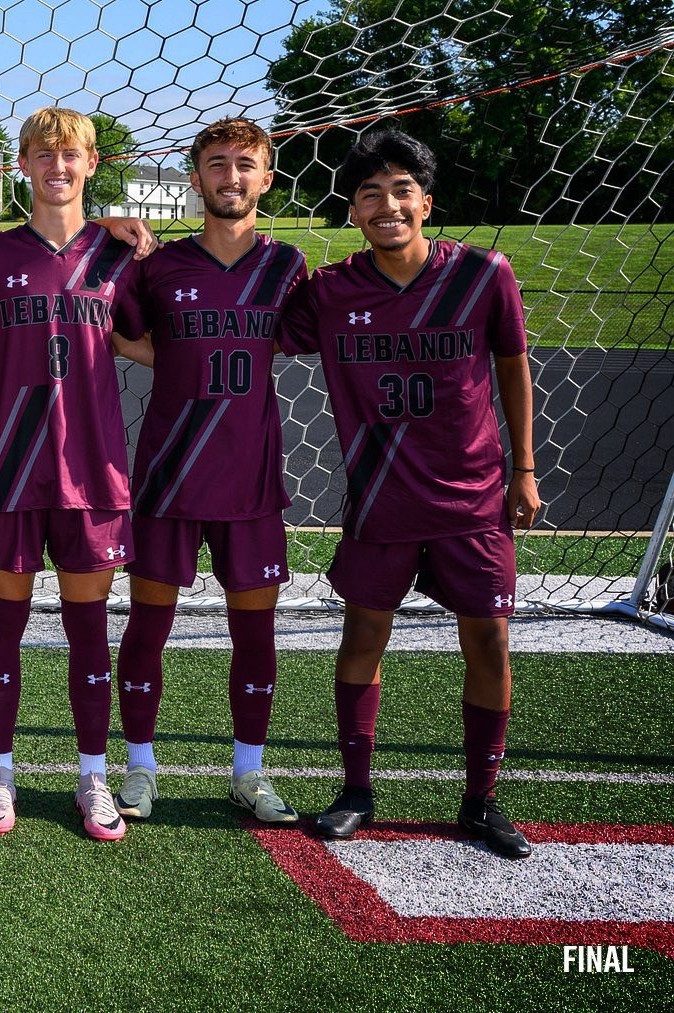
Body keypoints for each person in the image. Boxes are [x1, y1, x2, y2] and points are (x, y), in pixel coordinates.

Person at [279, 128, 539, 859]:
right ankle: (356, 790)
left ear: (427, 202)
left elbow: (513, 364)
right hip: (380, 499)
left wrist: (524, 468)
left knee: (488, 639)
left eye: (402, 191)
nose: (387, 205)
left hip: (473, 496)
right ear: (353, 212)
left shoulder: (483, 273)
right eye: (370, 194)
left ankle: (480, 800)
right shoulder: (331, 290)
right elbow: (249, 330)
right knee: (363, 635)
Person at [0, 107, 148, 840]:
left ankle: (93, 774)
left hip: (93, 472)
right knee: (5, 618)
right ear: (24, 164)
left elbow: (146, 344)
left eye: (71, 154)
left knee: (88, 628)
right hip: (12, 467)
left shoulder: (120, 256)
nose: (57, 166)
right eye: (43, 154)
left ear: (92, 164)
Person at [112, 116, 308, 825]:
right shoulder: (158, 266)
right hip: (168, 474)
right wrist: (106, 223)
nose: (231, 176)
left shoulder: (287, 266)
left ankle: (249, 771)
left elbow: (286, 339)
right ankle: (140, 766)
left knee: (254, 634)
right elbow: (123, 335)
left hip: (250, 479)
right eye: (217, 163)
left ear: (266, 178)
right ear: (195, 180)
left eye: (244, 164)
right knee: (147, 626)